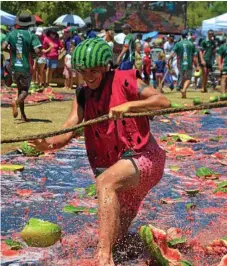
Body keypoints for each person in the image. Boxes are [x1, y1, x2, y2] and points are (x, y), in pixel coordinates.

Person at [30, 38, 170, 266]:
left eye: (94, 71)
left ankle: (103, 260)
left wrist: (129, 106)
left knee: (105, 183)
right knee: (118, 241)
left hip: (145, 157)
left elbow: (163, 101)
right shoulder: (82, 95)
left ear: (106, 67)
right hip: (120, 168)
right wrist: (46, 144)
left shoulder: (126, 81)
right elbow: (68, 131)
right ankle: (142, 245)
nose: (88, 76)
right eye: (83, 71)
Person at [2, 12, 41, 122]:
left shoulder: (11, 33)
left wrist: (11, 51)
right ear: (29, 23)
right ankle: (16, 102)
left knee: (20, 90)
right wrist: (34, 53)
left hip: (13, 66)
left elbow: (3, 46)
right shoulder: (31, 35)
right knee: (24, 91)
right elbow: (38, 51)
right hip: (25, 67)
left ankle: (23, 116)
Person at [168, 30, 199, 98]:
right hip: (188, 64)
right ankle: (184, 89)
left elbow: (171, 54)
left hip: (180, 65)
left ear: (181, 36)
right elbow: (194, 57)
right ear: (187, 35)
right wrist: (197, 66)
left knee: (183, 78)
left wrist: (168, 61)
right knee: (188, 79)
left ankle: (183, 93)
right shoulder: (191, 44)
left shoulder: (178, 44)